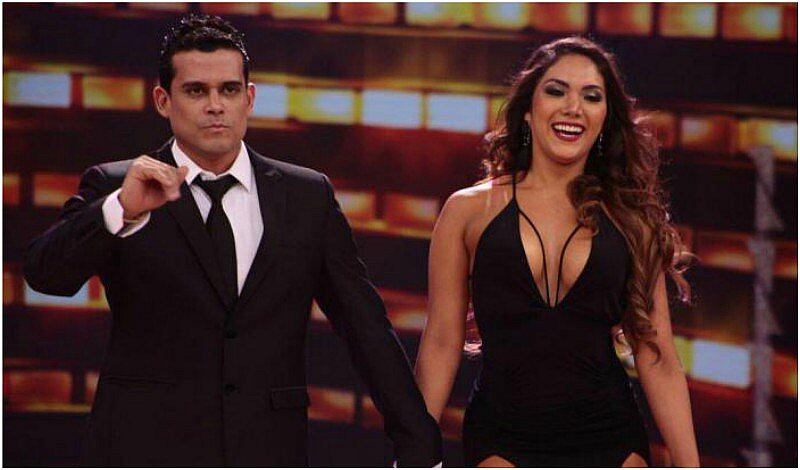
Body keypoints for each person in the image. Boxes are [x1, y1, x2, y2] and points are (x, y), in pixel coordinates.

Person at [24, 14, 441, 467]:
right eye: (196, 91)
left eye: (228, 90)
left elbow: (364, 326)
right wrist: (120, 208)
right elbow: (46, 275)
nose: (215, 106)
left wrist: (418, 443)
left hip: (268, 449)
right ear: (163, 101)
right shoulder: (118, 185)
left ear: (250, 98)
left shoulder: (306, 195)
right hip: (144, 448)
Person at [414, 37, 699, 467]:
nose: (573, 108)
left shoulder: (630, 219)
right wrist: (413, 453)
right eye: (556, 91)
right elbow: (440, 341)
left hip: (611, 437)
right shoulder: (467, 211)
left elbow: (656, 355)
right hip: (503, 438)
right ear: (528, 109)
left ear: (605, 118)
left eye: (592, 96)